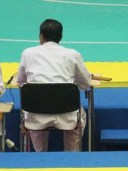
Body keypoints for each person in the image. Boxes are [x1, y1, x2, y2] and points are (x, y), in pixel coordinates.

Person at [16, 19, 92, 152]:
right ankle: (72, 153)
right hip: (66, 115)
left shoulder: (27, 53)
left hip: (36, 116)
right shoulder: (73, 54)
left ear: (41, 36)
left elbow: (21, 82)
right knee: (81, 115)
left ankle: (40, 154)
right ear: (61, 37)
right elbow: (85, 83)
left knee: (33, 104)